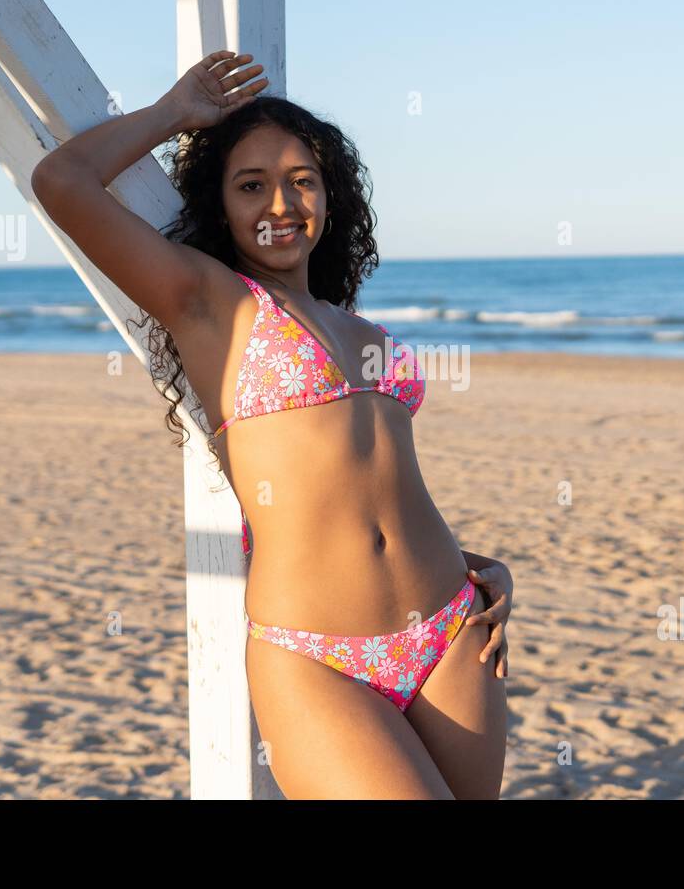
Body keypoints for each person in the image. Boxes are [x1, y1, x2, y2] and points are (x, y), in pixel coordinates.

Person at [31, 50, 513, 798]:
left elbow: (371, 489)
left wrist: (481, 567)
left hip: (451, 629)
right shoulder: (209, 302)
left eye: (301, 181)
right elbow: (61, 184)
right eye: (251, 185)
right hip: (317, 656)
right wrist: (173, 113)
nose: (280, 204)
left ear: (330, 198)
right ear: (221, 206)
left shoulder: (364, 332)